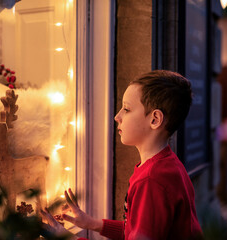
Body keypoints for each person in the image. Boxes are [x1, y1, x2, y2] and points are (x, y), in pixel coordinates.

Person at [41, 70, 203, 240]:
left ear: (155, 119)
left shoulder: (151, 180)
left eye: (127, 109)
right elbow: (139, 230)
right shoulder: (167, 164)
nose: (117, 116)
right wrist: (92, 223)